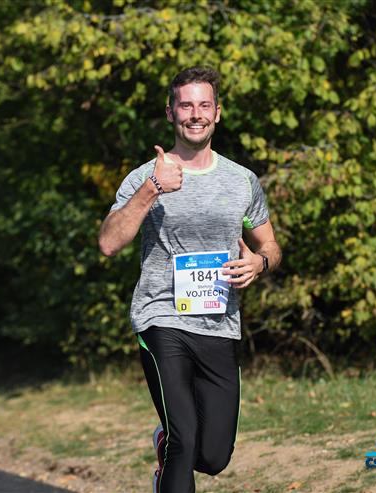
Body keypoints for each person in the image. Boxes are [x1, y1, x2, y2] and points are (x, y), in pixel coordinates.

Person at [98, 66, 281, 493]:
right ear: (171, 112)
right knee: (185, 436)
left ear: (217, 112)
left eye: (204, 105)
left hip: (220, 323)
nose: (195, 114)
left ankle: (164, 446)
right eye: (186, 105)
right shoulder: (145, 177)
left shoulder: (241, 181)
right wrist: (152, 189)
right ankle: (173, 446)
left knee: (214, 456)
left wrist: (259, 264)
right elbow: (108, 242)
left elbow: (270, 245)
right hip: (161, 318)